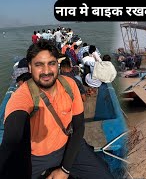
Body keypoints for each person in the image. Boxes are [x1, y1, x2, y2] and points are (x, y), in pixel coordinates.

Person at [0, 39, 113, 179]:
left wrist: (65, 170)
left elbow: (78, 128)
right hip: (34, 157)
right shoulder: (22, 97)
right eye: (39, 65)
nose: (46, 71)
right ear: (30, 67)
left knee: (104, 175)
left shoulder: (69, 85)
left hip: (67, 146)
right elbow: (12, 139)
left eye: (51, 63)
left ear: (57, 65)